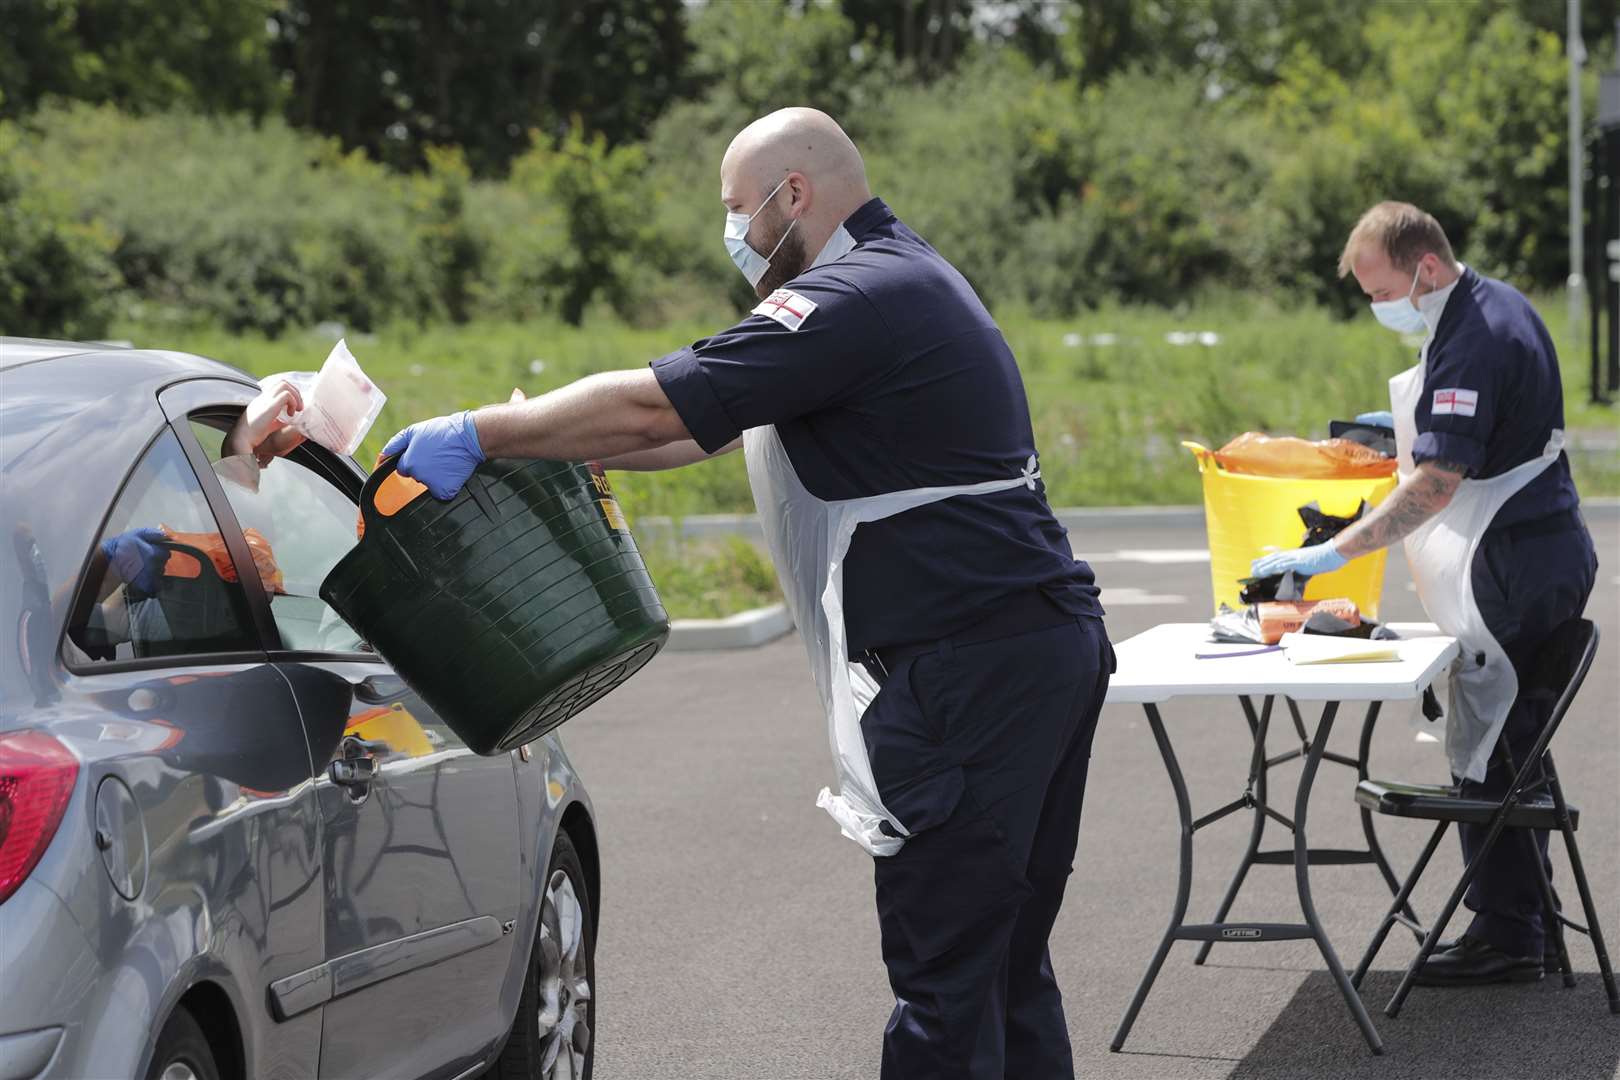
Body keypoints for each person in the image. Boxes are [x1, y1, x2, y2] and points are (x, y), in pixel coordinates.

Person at [383, 107, 1113, 1079]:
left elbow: (658, 404)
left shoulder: (853, 296)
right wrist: (540, 439)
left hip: (966, 673)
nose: (735, 232)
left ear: (793, 195)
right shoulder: (903, 277)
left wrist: (479, 432)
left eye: (739, 209)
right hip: (1025, 652)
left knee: (947, 983)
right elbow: (693, 433)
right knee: (1004, 972)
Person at [1253, 201, 1598, 986]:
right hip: (1534, 548)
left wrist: (1328, 556)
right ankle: (1526, 925)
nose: (1379, 309)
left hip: (1515, 557)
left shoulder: (1476, 334)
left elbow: (1438, 483)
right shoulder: (1489, 305)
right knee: (1508, 744)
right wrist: (1393, 431)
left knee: (1493, 748)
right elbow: (1465, 431)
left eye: (1381, 293)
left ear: (1427, 269)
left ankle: (1509, 938)